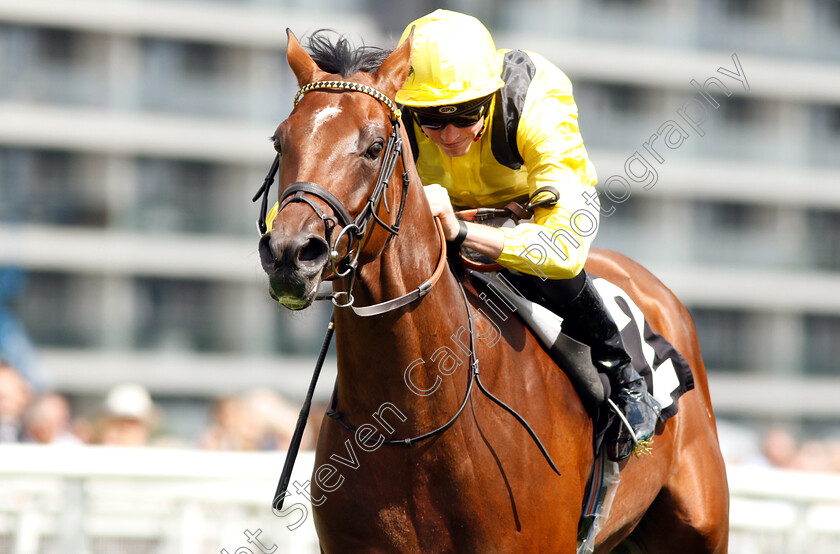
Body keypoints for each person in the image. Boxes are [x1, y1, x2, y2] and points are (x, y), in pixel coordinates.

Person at [395, 10, 660, 461]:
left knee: (550, 269)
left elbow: (562, 249)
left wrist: (462, 231)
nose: (450, 133)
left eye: (464, 114)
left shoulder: (538, 95)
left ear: (491, 94)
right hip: (437, 216)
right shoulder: (395, 100)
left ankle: (622, 374)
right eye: (431, 120)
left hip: (539, 216)